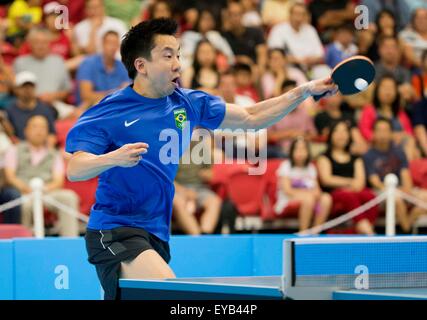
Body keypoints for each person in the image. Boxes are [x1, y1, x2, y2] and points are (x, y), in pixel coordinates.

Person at [65, 18, 337, 300]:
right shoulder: (111, 110)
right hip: (114, 229)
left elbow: (251, 117)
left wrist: (303, 91)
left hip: (156, 230)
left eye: (179, 55)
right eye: (167, 56)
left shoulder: (188, 103)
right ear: (141, 65)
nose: (177, 65)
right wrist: (112, 158)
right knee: (171, 295)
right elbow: (75, 169)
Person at [4, 114, 79, 236]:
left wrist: (43, 190)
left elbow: (58, 181)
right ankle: (25, 243)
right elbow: (10, 177)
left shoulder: (54, 154)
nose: (39, 131)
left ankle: (70, 239)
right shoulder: (14, 149)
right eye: (35, 127)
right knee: (24, 205)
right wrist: (27, 189)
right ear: (26, 131)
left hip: (47, 191)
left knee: (69, 197)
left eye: (43, 127)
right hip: (24, 192)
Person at [363, 118, 427, 233]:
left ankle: (411, 219)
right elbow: (375, 181)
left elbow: (405, 175)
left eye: (385, 130)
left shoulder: (399, 152)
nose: (382, 134)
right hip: (381, 193)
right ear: (374, 133)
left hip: (402, 190)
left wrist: (406, 190)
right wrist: (394, 190)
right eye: (379, 130)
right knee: (396, 199)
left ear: (391, 133)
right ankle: (407, 230)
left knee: (424, 195)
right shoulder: (368, 155)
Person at [317, 121, 379, 235]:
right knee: (347, 196)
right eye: (337, 131)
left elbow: (360, 182)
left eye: (344, 131)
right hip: (334, 194)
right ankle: (364, 227)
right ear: (331, 135)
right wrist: (350, 182)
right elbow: (327, 179)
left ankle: (365, 227)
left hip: (355, 191)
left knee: (370, 196)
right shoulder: (324, 157)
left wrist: (352, 185)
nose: (341, 135)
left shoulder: (356, 158)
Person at [275, 137, 332, 233]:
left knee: (326, 198)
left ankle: (315, 232)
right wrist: (308, 194)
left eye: (303, 149)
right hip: (288, 199)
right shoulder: (286, 166)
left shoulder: (311, 167)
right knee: (308, 198)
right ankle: (303, 232)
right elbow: (287, 190)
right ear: (291, 151)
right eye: (297, 149)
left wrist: (314, 194)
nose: (300, 152)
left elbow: (317, 190)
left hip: (309, 197)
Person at [358, 75, 417, 160]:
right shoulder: (369, 110)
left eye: (391, 88)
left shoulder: (400, 113)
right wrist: (389, 136)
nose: (388, 91)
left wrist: (402, 136)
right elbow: (365, 131)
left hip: (399, 148)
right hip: (377, 147)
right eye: (384, 87)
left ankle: (405, 168)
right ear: (377, 90)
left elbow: (409, 133)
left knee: (411, 144)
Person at [173, 138, 222, 235]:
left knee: (214, 201)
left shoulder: (203, 148)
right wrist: (184, 191)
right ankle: (197, 236)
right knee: (178, 203)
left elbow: (210, 173)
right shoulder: (170, 149)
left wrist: (207, 174)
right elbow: (167, 178)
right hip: (177, 189)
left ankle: (205, 234)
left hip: (199, 188)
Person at [267, 2, 327, 79]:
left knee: (325, 72)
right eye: (296, 13)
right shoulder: (278, 29)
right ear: (290, 14)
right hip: (288, 68)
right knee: (298, 76)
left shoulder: (310, 30)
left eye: (302, 14)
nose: (299, 17)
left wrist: (311, 60)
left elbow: (320, 54)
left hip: (311, 67)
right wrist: (297, 60)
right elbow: (275, 55)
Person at [76, 31, 130, 107]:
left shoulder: (123, 67)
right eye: (110, 43)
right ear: (102, 44)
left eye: (115, 44)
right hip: (91, 108)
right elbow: (86, 95)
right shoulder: (88, 63)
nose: (113, 47)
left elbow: (128, 92)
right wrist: (115, 93)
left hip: (115, 106)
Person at [5, 71, 57, 147]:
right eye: (23, 87)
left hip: (41, 148)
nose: (27, 90)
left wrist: (46, 153)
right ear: (16, 89)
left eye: (30, 86)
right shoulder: (10, 110)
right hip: (18, 149)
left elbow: (51, 135)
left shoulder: (45, 109)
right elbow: (11, 135)